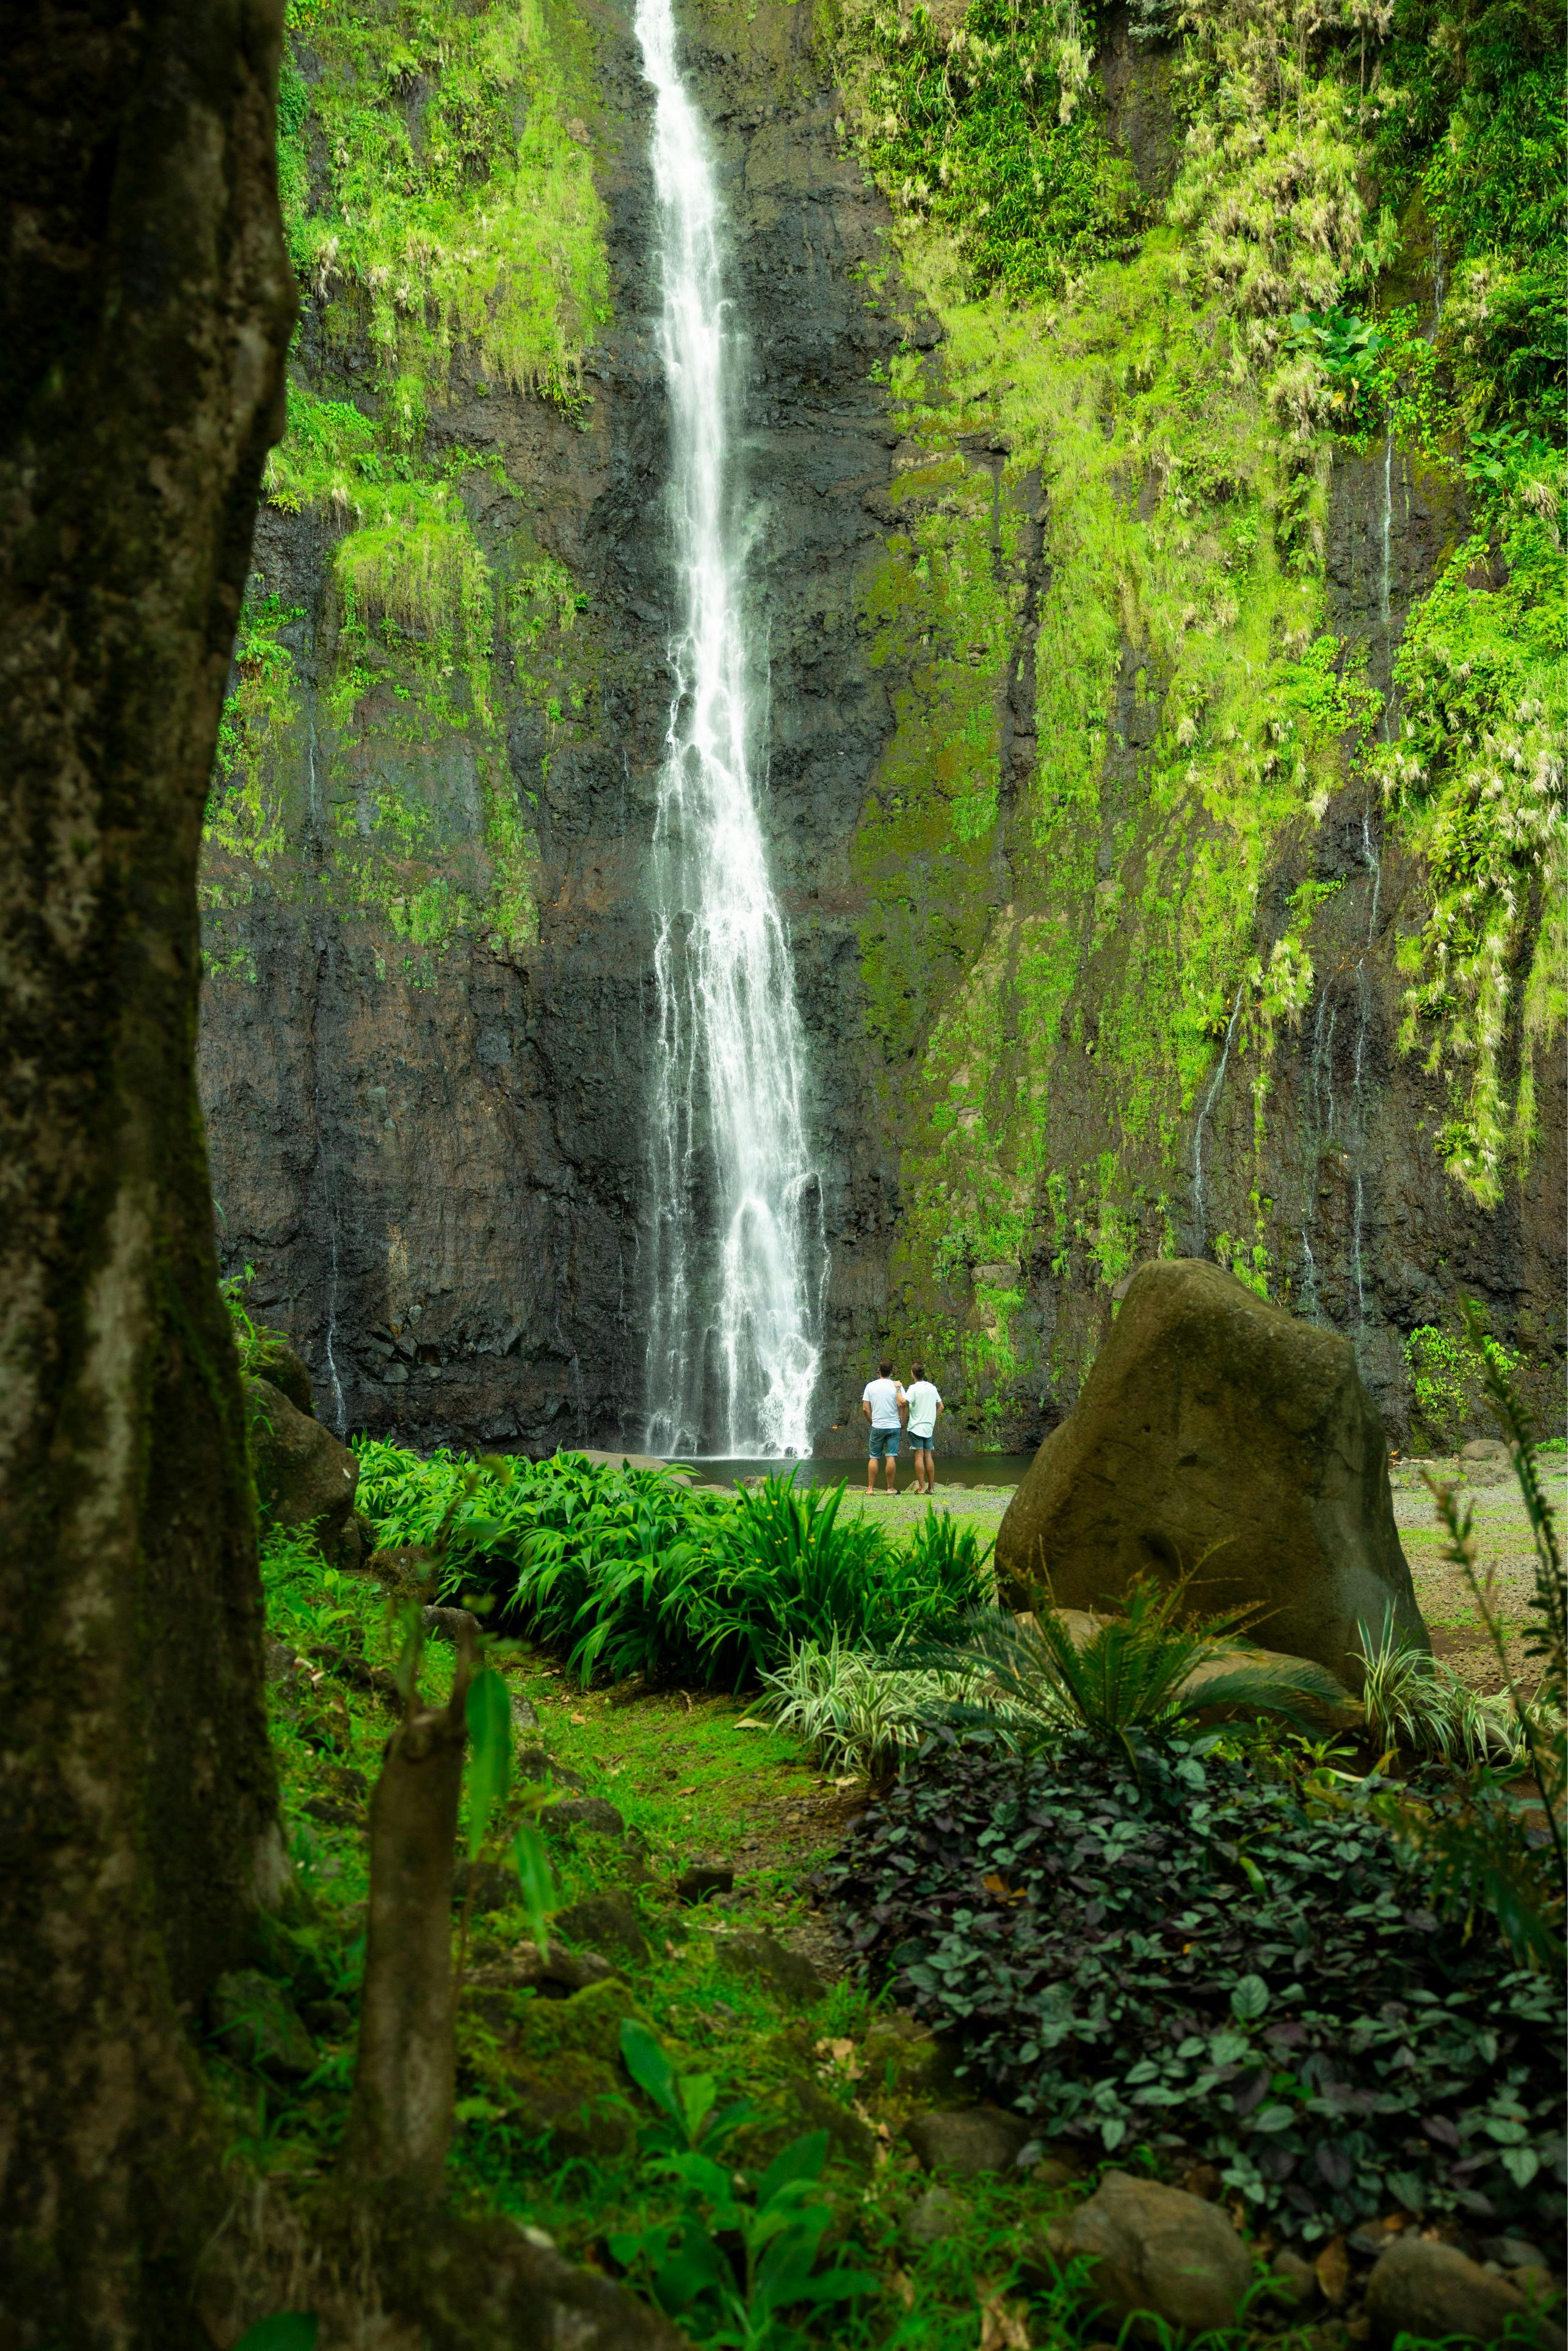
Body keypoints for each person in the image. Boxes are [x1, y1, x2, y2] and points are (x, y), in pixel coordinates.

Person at [861, 1356, 907, 1492]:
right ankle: (890, 1488)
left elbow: (865, 1408)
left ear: (879, 1370)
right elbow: (903, 1406)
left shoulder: (870, 1386)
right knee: (891, 1456)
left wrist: (872, 1421)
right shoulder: (897, 1386)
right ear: (892, 1371)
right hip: (894, 1426)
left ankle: (870, 1489)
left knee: (874, 1457)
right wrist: (902, 1423)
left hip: (877, 1426)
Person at [904, 1362, 944, 1495]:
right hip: (928, 1427)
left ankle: (921, 1488)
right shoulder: (932, 1387)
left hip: (916, 1427)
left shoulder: (913, 1388)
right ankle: (931, 1488)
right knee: (928, 1456)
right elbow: (941, 1406)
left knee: (919, 1457)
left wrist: (898, 1390)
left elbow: (903, 1402)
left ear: (912, 1373)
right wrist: (933, 1419)